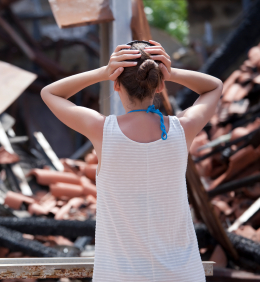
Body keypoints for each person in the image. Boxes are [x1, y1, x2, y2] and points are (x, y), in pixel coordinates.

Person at [40, 39, 222, 282]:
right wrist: (172, 72)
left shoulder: (102, 130)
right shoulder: (183, 129)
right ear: (159, 85)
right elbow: (214, 86)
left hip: (120, 275)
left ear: (116, 84)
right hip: (183, 273)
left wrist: (102, 72)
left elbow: (49, 92)